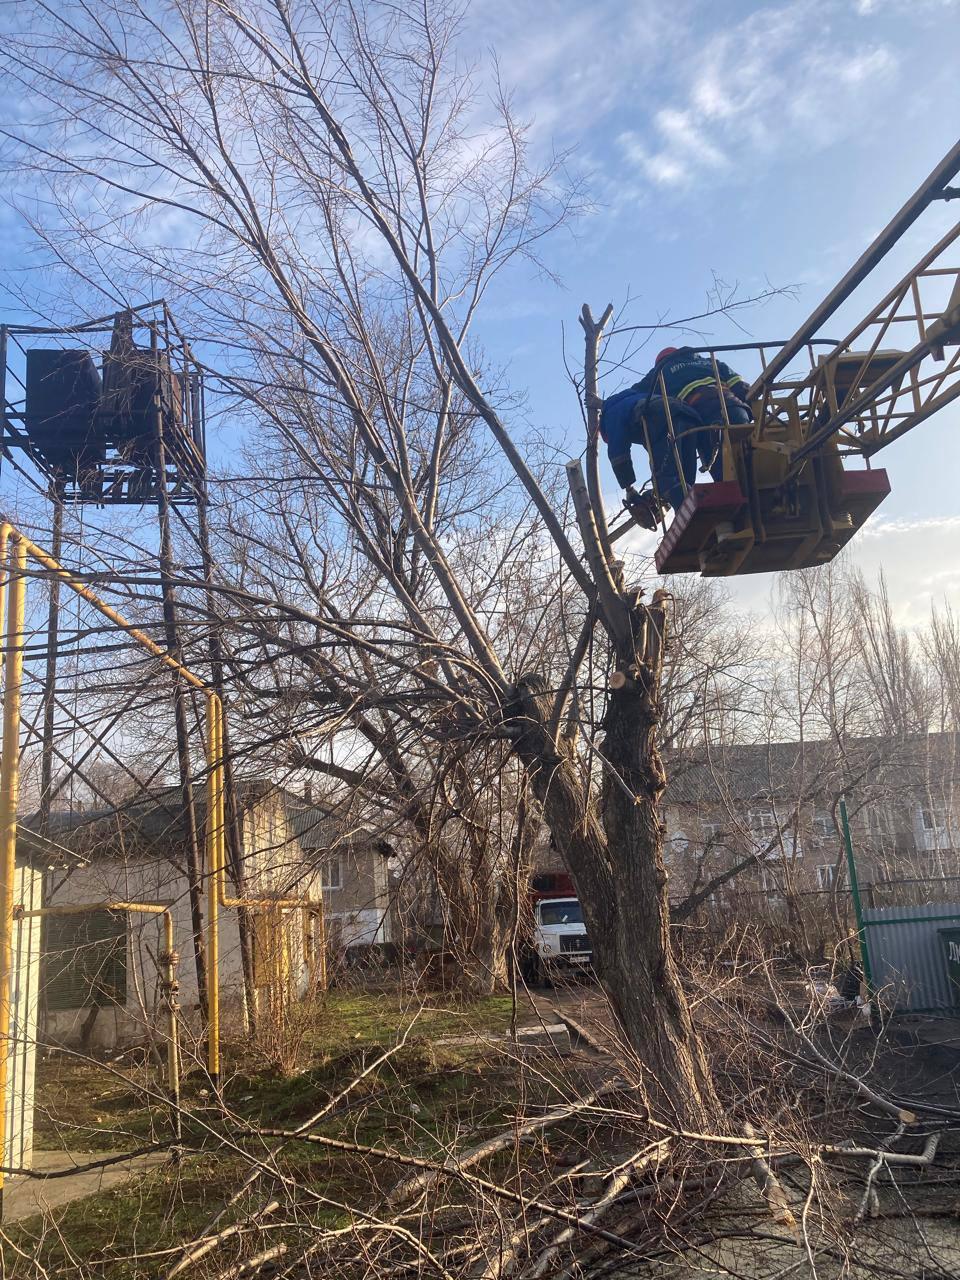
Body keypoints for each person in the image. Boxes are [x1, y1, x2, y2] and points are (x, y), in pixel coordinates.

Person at [600, 346, 752, 528]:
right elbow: (741, 387)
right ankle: (750, 492)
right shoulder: (711, 361)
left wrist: (628, 487)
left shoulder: (660, 373)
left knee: (674, 477)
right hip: (731, 410)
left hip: (701, 416)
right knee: (742, 456)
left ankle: (694, 520)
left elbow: (618, 452)